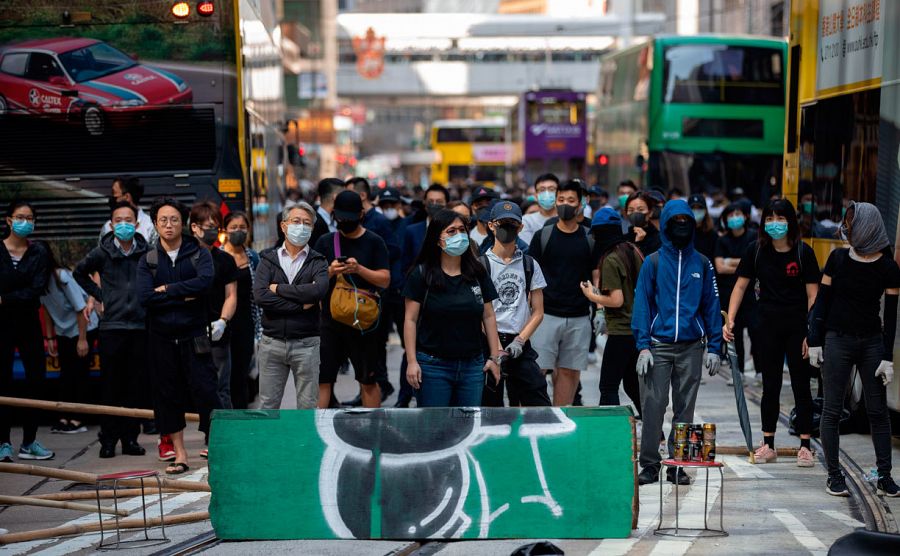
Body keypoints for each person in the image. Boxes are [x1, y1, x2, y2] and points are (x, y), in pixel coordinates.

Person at [808, 202, 900, 497]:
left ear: (868, 226)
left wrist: (887, 356)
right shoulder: (837, 259)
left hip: (872, 342)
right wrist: (815, 339)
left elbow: (891, 315)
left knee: (877, 411)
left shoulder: (888, 267)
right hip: (837, 339)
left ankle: (885, 475)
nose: (845, 227)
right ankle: (834, 474)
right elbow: (822, 302)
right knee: (832, 409)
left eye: (851, 222)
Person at [632, 199, 723, 485]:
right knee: (653, 406)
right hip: (657, 346)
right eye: (676, 222)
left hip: (691, 347)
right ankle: (649, 464)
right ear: (667, 225)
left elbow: (711, 306)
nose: (681, 227)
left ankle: (677, 465)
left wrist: (714, 347)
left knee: (685, 408)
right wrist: (643, 345)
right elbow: (642, 305)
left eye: (686, 222)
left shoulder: (703, 264)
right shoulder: (653, 262)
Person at [724, 198, 819, 467]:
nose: (774, 224)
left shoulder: (803, 253)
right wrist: (729, 319)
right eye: (770, 219)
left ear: (791, 222)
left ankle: (805, 446)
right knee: (771, 385)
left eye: (780, 219)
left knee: (801, 386)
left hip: (797, 329)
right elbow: (740, 287)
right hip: (766, 327)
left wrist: (811, 332)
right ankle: (768, 444)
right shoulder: (755, 250)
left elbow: (814, 295)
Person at [137, 197, 221, 475]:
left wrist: (168, 290)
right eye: (163, 220)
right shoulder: (148, 259)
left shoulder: (198, 253)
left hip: (194, 334)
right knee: (167, 394)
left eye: (174, 219)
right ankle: (180, 453)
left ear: (182, 222)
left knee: (207, 390)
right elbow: (145, 297)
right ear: (156, 223)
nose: (169, 225)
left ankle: (214, 445)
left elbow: (205, 283)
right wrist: (185, 294)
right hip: (160, 338)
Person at [403, 209, 502, 407]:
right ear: (437, 239)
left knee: (468, 429)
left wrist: (494, 358)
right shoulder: (421, 275)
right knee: (436, 430)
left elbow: (489, 316)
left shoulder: (477, 272)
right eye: (451, 231)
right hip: (432, 366)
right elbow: (410, 320)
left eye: (462, 230)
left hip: (473, 366)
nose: (459, 236)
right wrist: (412, 362)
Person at [74, 201, 150, 458]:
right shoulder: (101, 252)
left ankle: (131, 439)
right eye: (118, 220)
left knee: (135, 387)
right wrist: (99, 295)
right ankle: (108, 440)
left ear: (137, 223)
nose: (124, 224)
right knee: (110, 387)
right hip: (112, 327)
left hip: (139, 327)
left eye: (128, 219)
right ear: (111, 224)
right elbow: (79, 273)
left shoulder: (147, 252)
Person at [313, 190, 391, 408]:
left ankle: (373, 432)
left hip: (364, 323)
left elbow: (385, 280)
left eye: (349, 216)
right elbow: (312, 281)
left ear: (362, 214)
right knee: (324, 380)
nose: (344, 221)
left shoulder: (374, 242)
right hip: (330, 322)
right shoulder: (325, 242)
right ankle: (319, 433)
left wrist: (359, 269)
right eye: (341, 216)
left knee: (368, 380)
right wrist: (329, 271)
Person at [528, 179, 598, 406]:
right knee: (535, 372)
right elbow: (530, 275)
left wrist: (600, 308)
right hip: (546, 315)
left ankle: (559, 422)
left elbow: (596, 275)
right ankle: (534, 419)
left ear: (579, 205)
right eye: (561, 200)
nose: (564, 204)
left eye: (570, 200)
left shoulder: (589, 237)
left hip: (579, 316)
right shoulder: (543, 236)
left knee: (569, 373)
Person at [254, 202, 329, 409]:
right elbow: (260, 296)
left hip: (307, 343)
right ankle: (269, 442)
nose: (301, 226)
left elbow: (318, 291)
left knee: (307, 405)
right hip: (272, 342)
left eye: (307, 223)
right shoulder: (268, 259)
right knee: (268, 404)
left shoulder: (318, 261)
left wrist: (278, 289)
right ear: (283, 226)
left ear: (313, 229)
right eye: (296, 221)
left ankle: (305, 443)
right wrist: (299, 305)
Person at [480, 202, 550, 407]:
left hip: (519, 343)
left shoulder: (529, 264)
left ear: (520, 228)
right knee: (490, 406)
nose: (507, 228)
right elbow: (480, 314)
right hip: (488, 343)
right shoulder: (481, 265)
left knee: (538, 399)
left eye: (513, 224)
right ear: (492, 225)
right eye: (503, 223)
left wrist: (520, 340)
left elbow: (538, 311)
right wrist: (497, 348)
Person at [0, 201, 54, 462]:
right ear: (9, 220)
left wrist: (4, 297)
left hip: (30, 323)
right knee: (3, 382)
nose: (25, 221)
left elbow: (37, 289)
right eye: (20, 217)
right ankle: (3, 443)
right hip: (2, 325)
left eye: (30, 217)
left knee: (36, 379)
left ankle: (30, 441)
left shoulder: (39, 252)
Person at [580, 208, 643, 416]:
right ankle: (656, 431)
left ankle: (610, 433)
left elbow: (616, 300)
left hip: (620, 332)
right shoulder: (633, 251)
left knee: (608, 386)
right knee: (633, 384)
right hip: (637, 329)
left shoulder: (610, 259)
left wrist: (592, 295)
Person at [41, 244, 98, 435]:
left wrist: (82, 340)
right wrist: (50, 337)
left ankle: (78, 419)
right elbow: (47, 310)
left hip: (83, 328)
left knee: (79, 374)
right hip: (64, 332)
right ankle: (64, 416)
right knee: (66, 375)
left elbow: (80, 309)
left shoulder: (61, 276)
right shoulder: (37, 280)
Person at [190, 201, 238, 409]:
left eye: (215, 227)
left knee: (221, 386)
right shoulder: (183, 258)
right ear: (194, 227)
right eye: (207, 226)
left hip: (217, 332)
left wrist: (223, 321)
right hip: (189, 330)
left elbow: (231, 295)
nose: (212, 231)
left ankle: (223, 435)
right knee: (193, 386)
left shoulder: (225, 260)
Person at [221, 211, 261, 409]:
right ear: (225, 230)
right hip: (222, 322)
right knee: (223, 374)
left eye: (242, 228)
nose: (238, 231)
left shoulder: (253, 258)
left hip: (246, 322)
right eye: (233, 228)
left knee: (241, 373)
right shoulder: (217, 257)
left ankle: (241, 418)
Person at [714, 203, 759, 375]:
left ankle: (759, 369)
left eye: (738, 213)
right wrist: (742, 263)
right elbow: (720, 267)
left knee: (756, 331)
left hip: (751, 293)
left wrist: (730, 261)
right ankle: (737, 369)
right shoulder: (722, 240)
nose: (734, 218)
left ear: (746, 216)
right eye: (730, 215)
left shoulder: (753, 237)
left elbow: (753, 263)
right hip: (728, 292)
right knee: (734, 331)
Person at [99, 176, 155, 244]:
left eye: (114, 193)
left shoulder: (150, 225)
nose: (112, 198)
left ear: (127, 197)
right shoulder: (108, 226)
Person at [520, 174, 559, 245]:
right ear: (536, 195)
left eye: (551, 189)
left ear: (559, 193)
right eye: (542, 190)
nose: (547, 193)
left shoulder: (565, 219)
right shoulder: (527, 221)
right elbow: (528, 249)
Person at [625, 192, 662, 256]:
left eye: (641, 209)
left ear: (650, 213)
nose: (635, 213)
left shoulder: (660, 240)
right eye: (631, 210)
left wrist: (640, 244)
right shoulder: (624, 240)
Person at [688, 194, 717, 259]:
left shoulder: (713, 235)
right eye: (693, 208)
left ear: (705, 210)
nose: (696, 211)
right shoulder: (683, 232)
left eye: (699, 208)